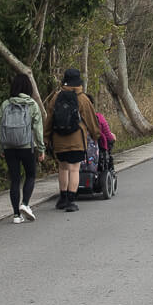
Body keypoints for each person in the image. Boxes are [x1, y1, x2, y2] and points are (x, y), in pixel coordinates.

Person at [43, 67, 101, 212]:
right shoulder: (82, 98)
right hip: (77, 140)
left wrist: (46, 137)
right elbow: (91, 120)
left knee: (62, 168)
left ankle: (62, 198)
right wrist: (96, 135)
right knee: (74, 169)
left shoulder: (56, 97)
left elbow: (49, 119)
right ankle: (71, 200)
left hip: (59, 139)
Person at [0, 73, 45, 223]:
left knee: (15, 180)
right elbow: (38, 129)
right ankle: (25, 204)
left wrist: (1, 147)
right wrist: (41, 149)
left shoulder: (6, 104)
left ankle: (16, 215)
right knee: (30, 175)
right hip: (27, 146)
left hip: (9, 147)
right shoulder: (32, 104)